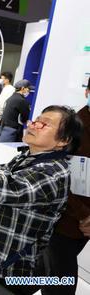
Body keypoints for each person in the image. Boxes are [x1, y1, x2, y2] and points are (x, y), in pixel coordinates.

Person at [0, 106, 83, 295]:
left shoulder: (53, 173)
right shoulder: (28, 157)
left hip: (8, 270)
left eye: (44, 124)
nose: (34, 125)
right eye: (36, 120)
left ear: (63, 141)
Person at [42, 78, 90, 295]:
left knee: (54, 272)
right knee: (59, 276)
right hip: (66, 220)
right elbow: (56, 175)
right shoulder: (74, 127)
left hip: (82, 224)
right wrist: (83, 215)